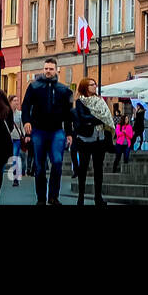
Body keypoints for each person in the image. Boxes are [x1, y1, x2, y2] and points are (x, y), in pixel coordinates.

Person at [20, 58, 74, 206]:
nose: (48, 71)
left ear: (56, 70)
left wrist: (69, 133)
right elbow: (25, 106)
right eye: (46, 69)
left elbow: (68, 114)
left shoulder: (64, 90)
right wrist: (27, 122)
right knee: (39, 166)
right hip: (38, 131)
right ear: (43, 70)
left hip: (57, 131)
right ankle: (41, 198)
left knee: (57, 162)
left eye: (51, 69)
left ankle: (53, 196)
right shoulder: (34, 87)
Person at [70, 77, 113, 206]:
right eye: (91, 85)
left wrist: (96, 119)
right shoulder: (80, 102)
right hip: (85, 139)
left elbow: (107, 116)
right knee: (83, 169)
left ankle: (98, 197)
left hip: (100, 139)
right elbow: (83, 118)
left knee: (98, 169)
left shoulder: (100, 100)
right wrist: (98, 119)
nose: (95, 86)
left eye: (95, 84)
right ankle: (81, 197)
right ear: (85, 87)